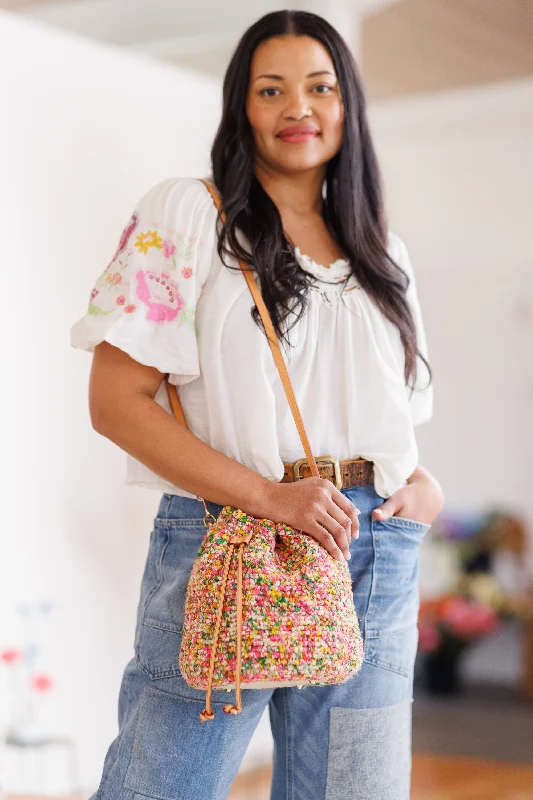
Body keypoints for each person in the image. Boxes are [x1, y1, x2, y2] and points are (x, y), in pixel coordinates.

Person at [70, 9, 444, 800]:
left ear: (348, 106)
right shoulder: (189, 214)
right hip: (234, 536)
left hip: (372, 548)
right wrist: (271, 497)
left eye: (318, 87)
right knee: (159, 786)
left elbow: (388, 414)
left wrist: (421, 487)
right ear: (242, 106)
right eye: (269, 89)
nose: (296, 108)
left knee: (353, 793)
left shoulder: (384, 253)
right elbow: (117, 402)